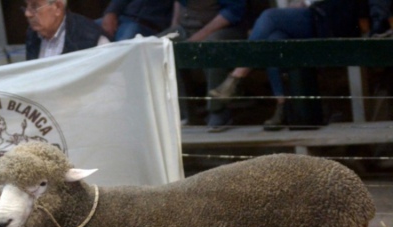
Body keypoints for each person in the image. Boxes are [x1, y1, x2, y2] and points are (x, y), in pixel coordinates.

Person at [208, 0, 361, 130]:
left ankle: (237, 77)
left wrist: (304, 2)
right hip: (302, 20)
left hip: (330, 17)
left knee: (270, 17)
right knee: (274, 39)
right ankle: (282, 105)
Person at [159, 0, 247, 131]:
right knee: (158, 45)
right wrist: (174, 26)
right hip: (186, 27)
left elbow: (232, 13)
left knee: (210, 46)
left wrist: (197, 38)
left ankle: (218, 110)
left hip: (222, 28)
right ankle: (184, 113)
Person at [24, 0, 109, 60]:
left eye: (35, 6)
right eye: (27, 5)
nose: (27, 13)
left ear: (58, 7)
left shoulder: (93, 39)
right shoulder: (32, 34)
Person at [100, 0, 175, 41]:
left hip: (145, 25)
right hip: (121, 19)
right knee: (89, 30)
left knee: (122, 46)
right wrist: (111, 13)